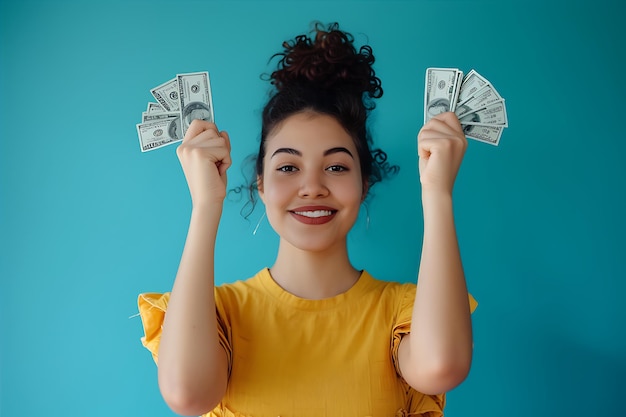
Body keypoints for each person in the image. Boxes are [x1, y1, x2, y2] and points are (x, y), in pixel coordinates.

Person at [138, 22, 477, 417]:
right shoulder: (219, 314)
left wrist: (437, 193)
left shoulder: (401, 313)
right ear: (260, 184)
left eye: (335, 167)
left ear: (364, 185)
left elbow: (442, 366)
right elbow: (187, 395)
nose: (312, 187)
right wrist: (205, 204)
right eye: (287, 168)